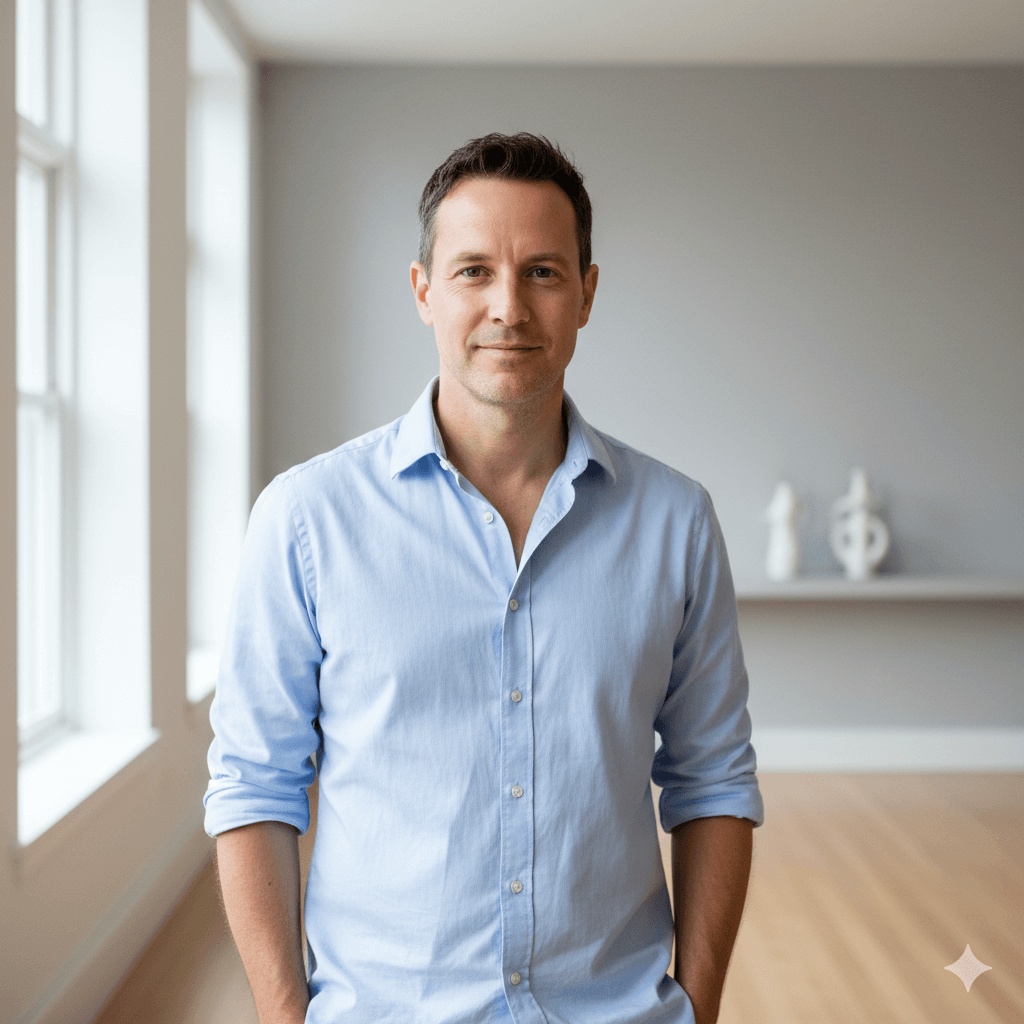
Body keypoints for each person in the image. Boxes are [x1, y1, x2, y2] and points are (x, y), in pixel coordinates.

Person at [205, 132, 763, 1024]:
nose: (509, 305)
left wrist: (696, 1008)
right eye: (474, 271)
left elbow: (715, 784)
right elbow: (254, 785)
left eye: (542, 271)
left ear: (587, 292)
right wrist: (284, 1015)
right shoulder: (305, 519)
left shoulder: (677, 521)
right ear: (424, 290)